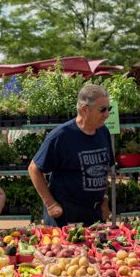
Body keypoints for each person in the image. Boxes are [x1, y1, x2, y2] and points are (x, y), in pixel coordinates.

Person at [28, 84, 115, 227]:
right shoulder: (60, 136)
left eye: (108, 109)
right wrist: (50, 204)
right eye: (102, 110)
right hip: (67, 214)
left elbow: (103, 169)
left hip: (94, 213)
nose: (107, 114)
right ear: (85, 109)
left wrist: (105, 200)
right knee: (66, 250)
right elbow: (33, 169)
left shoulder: (103, 131)